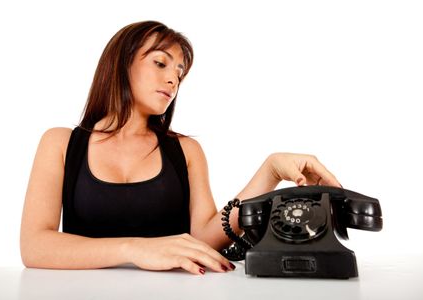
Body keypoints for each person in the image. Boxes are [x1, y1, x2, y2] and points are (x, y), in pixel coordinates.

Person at [20, 20, 341, 276]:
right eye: (161, 63)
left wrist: (270, 170)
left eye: (179, 72)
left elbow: (203, 238)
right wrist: (135, 250)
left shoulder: (185, 151)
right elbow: (34, 246)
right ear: (121, 63)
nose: (173, 79)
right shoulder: (60, 143)